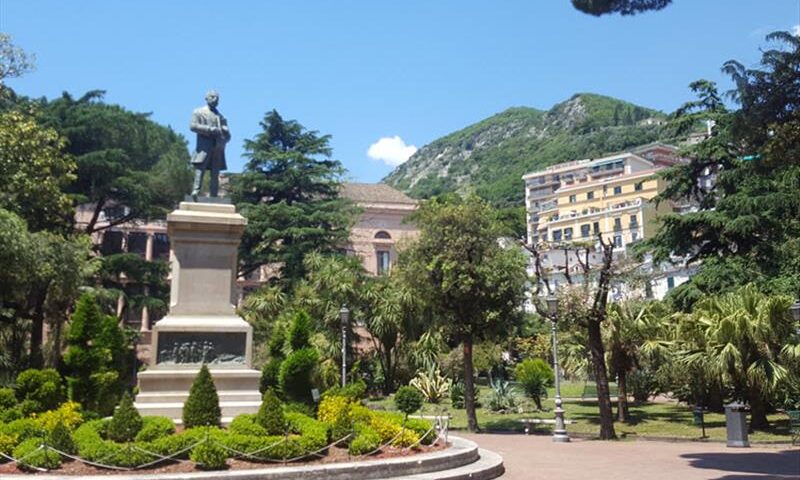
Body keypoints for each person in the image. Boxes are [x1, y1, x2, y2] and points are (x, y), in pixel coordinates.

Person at [190, 90, 230, 199]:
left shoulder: (221, 117)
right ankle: (196, 191)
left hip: (217, 148)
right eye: (212, 97)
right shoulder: (198, 112)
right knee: (200, 169)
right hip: (204, 147)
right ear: (206, 98)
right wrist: (209, 129)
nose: (215, 99)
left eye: (217, 98)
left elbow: (228, 137)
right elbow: (193, 126)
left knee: (215, 172)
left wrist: (225, 132)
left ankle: (214, 195)